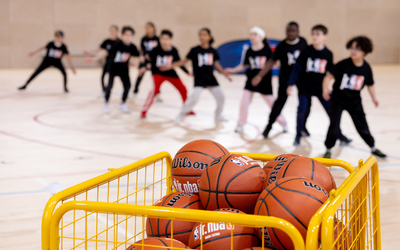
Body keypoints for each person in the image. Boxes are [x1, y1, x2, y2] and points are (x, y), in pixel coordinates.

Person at [287, 24, 351, 146]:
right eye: (313, 34)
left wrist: (335, 85)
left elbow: (331, 72)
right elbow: (297, 68)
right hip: (304, 87)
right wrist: (290, 84)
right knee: (302, 110)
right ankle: (298, 135)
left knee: (332, 112)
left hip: (320, 89)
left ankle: (339, 135)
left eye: (318, 34)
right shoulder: (306, 51)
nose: (315, 37)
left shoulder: (328, 54)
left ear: (325, 36)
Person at [322, 36, 386, 158]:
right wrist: (325, 89)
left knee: (362, 126)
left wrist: (374, 98)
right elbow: (328, 76)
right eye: (352, 47)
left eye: (358, 48)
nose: (354, 51)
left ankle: (373, 147)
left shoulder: (366, 68)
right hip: (338, 100)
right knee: (334, 126)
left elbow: (370, 84)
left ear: (365, 51)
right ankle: (328, 149)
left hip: (354, 102)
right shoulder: (343, 64)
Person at [163, 28, 232, 124]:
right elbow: (183, 61)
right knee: (194, 98)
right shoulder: (194, 50)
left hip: (210, 78)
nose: (201, 37)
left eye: (204, 35)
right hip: (199, 78)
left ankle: (218, 115)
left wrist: (225, 74)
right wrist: (171, 66)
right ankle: (181, 114)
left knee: (221, 97)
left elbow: (216, 64)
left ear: (209, 37)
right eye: (200, 35)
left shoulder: (212, 50)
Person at [225, 26, 287, 133]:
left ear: (261, 37)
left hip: (265, 82)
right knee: (244, 102)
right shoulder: (249, 51)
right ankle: (240, 123)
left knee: (273, 103)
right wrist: (232, 70)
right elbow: (243, 65)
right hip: (251, 81)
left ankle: (283, 122)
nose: (252, 37)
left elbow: (275, 63)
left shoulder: (268, 50)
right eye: (251, 34)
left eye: (255, 35)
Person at [252, 22, 309, 137]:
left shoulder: (303, 42)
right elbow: (271, 61)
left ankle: (302, 127)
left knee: (305, 103)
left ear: (298, 32)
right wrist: (260, 75)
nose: (291, 33)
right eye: (288, 30)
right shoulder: (282, 46)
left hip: (301, 77)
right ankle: (269, 126)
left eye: (293, 31)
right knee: (279, 103)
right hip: (285, 77)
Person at [86, 26, 139, 114]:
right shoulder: (117, 44)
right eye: (126, 35)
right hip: (114, 68)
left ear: (132, 37)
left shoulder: (132, 47)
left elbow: (136, 55)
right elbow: (106, 52)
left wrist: (132, 61)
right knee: (109, 86)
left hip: (124, 70)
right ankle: (106, 103)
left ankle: (122, 103)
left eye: (130, 35)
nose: (127, 37)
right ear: (122, 35)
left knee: (128, 86)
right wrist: (94, 58)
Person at [141, 29, 190, 118]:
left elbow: (179, 62)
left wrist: (187, 72)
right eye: (163, 39)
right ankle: (144, 110)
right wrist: (144, 66)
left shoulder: (174, 50)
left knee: (183, 89)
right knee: (154, 90)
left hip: (170, 73)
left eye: (167, 39)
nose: (165, 41)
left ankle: (187, 109)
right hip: (158, 73)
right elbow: (148, 59)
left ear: (171, 40)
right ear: (160, 40)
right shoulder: (156, 50)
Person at [84, 25, 120, 95]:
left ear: (117, 32)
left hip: (116, 63)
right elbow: (100, 49)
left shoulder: (119, 42)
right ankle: (104, 90)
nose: (112, 32)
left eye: (113, 31)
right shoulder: (107, 41)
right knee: (103, 76)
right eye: (111, 30)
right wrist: (89, 52)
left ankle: (110, 90)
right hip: (108, 62)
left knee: (113, 78)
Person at [132, 22, 160, 99]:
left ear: (153, 28)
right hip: (145, 60)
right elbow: (141, 50)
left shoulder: (157, 39)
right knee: (140, 75)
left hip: (154, 61)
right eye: (146, 28)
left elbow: (159, 51)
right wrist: (139, 56)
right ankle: (135, 91)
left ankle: (158, 93)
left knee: (156, 77)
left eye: (149, 27)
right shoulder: (144, 38)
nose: (147, 29)